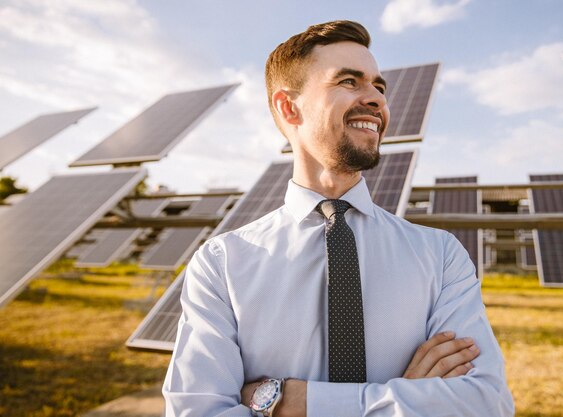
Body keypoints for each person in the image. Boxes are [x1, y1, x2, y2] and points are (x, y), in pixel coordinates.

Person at [162, 20, 514, 417]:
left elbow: (486, 403)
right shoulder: (223, 263)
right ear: (288, 107)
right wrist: (404, 398)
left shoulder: (440, 254)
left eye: (379, 87)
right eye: (350, 81)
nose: (376, 100)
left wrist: (292, 401)